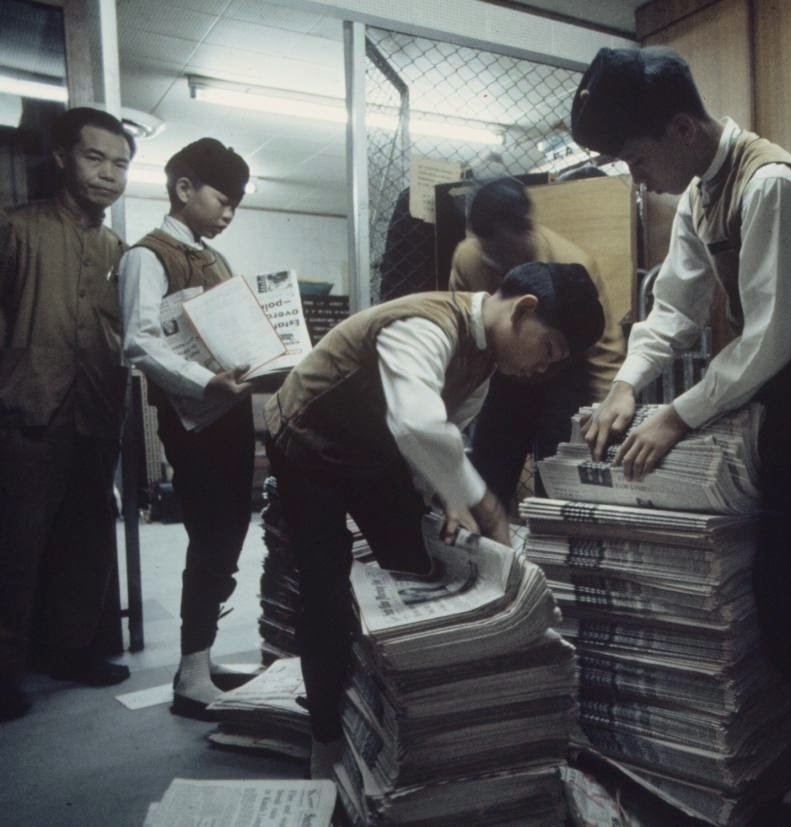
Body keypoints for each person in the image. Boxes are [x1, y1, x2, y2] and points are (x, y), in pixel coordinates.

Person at [570, 47, 791, 821]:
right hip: (785, 394)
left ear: (683, 127)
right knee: (769, 571)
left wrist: (675, 415)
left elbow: (768, 340)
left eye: (638, 158)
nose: (637, 178)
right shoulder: (697, 193)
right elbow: (675, 307)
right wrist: (624, 386)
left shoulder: (774, 185)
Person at [263, 261, 603, 778]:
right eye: (549, 349)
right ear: (524, 309)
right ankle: (326, 739)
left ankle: (405, 710)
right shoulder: (424, 324)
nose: (543, 369)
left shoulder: (486, 357)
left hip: (373, 450)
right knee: (324, 588)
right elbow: (418, 420)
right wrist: (483, 502)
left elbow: (445, 429)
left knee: (416, 562)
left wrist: (447, 494)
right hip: (309, 441)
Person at [0, 107, 136, 720]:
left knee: (86, 541)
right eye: (95, 157)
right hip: (28, 413)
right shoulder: (15, 230)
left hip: (95, 414)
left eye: (121, 163)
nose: (109, 173)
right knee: (15, 547)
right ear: (62, 158)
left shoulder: (119, 250)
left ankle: (72, 652)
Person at [118, 138, 257, 720]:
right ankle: (190, 676)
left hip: (232, 415)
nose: (228, 214)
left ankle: (197, 660)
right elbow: (138, 342)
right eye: (223, 200)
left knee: (227, 540)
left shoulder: (214, 258)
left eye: (236, 206)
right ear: (183, 189)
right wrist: (205, 386)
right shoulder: (147, 256)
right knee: (209, 542)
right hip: (194, 419)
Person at [449, 177, 624, 506]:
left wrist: (602, 412)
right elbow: (465, 328)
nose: (500, 261)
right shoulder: (468, 257)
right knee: (486, 478)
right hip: (501, 374)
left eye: (506, 249)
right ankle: (484, 553)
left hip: (562, 376)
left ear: (527, 228)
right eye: (491, 253)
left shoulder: (573, 264)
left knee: (556, 483)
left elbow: (605, 349)